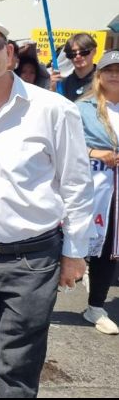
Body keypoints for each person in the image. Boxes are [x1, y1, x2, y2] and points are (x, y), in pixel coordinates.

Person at [0, 14, 92, 397]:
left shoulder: (53, 109)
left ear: (9, 53)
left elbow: (76, 184)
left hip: (32, 260)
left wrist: (75, 253)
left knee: (18, 368)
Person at [76, 50, 119, 335]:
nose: (115, 75)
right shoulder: (82, 108)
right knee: (72, 243)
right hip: (91, 188)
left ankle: (96, 306)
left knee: (110, 251)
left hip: (117, 193)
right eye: (109, 70)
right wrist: (94, 152)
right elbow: (65, 145)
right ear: (99, 75)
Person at [50, 33, 98, 101]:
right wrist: (52, 90)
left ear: (94, 51)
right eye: (72, 53)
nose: (78, 56)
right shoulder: (63, 84)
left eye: (83, 52)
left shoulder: (103, 80)